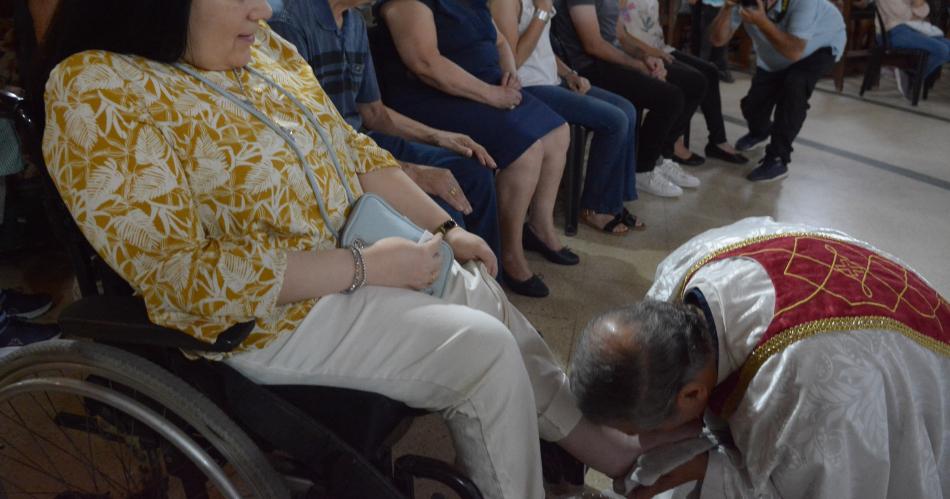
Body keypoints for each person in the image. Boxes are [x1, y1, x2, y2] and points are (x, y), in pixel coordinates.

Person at [40, 1, 673, 497]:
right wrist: (367, 266)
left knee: (479, 284)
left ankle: (599, 446)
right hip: (263, 316)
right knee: (481, 351)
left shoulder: (263, 51)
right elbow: (180, 275)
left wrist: (445, 229)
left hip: (356, 255)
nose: (264, 9)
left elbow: (354, 149)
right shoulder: (99, 87)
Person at [570, 217, 950, 498]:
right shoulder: (681, 275)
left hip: (916, 363)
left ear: (690, 395)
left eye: (643, 430)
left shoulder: (809, 389)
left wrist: (710, 469)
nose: (641, 441)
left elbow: (824, 487)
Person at [267, 0, 503, 260]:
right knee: (445, 205)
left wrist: (439, 137)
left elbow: (373, 112)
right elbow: (305, 140)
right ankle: (453, 286)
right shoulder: (287, 21)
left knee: (475, 171)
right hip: (329, 160)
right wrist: (411, 172)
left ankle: (489, 286)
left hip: (364, 142)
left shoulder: (354, 22)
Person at [372, 0, 576, 298]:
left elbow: (501, 40)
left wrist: (510, 75)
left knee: (558, 132)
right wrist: (491, 95)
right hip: (433, 98)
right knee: (526, 150)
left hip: (482, 88)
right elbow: (426, 64)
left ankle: (540, 227)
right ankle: (510, 252)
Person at [490, 0, 645, 234]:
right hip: (529, 87)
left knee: (627, 109)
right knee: (615, 120)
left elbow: (544, 49)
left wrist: (569, 73)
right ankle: (595, 206)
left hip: (553, 79)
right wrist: (541, 13)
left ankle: (613, 201)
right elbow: (511, 61)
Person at [550, 0, 701, 198]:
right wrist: (636, 65)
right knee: (670, 97)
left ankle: (658, 158)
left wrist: (644, 57)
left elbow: (621, 34)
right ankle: (643, 169)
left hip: (606, 62)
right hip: (587, 67)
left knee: (686, 87)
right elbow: (593, 45)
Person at [708, 0, 846, 181]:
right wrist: (727, 7)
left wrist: (762, 22)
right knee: (753, 106)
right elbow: (717, 40)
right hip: (774, 57)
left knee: (794, 86)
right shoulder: (744, 2)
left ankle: (778, 159)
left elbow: (794, 52)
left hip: (819, 46)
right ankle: (760, 132)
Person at [616, 0, 748, 166]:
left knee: (710, 72)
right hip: (638, 53)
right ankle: (667, 146)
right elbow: (620, 35)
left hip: (659, 47)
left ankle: (717, 141)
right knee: (694, 81)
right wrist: (653, 53)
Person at [876, 0, 949, 100]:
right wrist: (916, 6)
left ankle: (912, 76)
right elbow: (901, 14)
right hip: (893, 32)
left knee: (946, 47)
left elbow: (925, 10)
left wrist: (917, 7)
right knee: (942, 50)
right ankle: (912, 77)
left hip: (914, 29)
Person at [690, 0, 734, 83]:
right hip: (709, 5)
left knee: (717, 37)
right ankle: (704, 69)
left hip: (720, 5)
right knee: (706, 40)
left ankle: (719, 67)